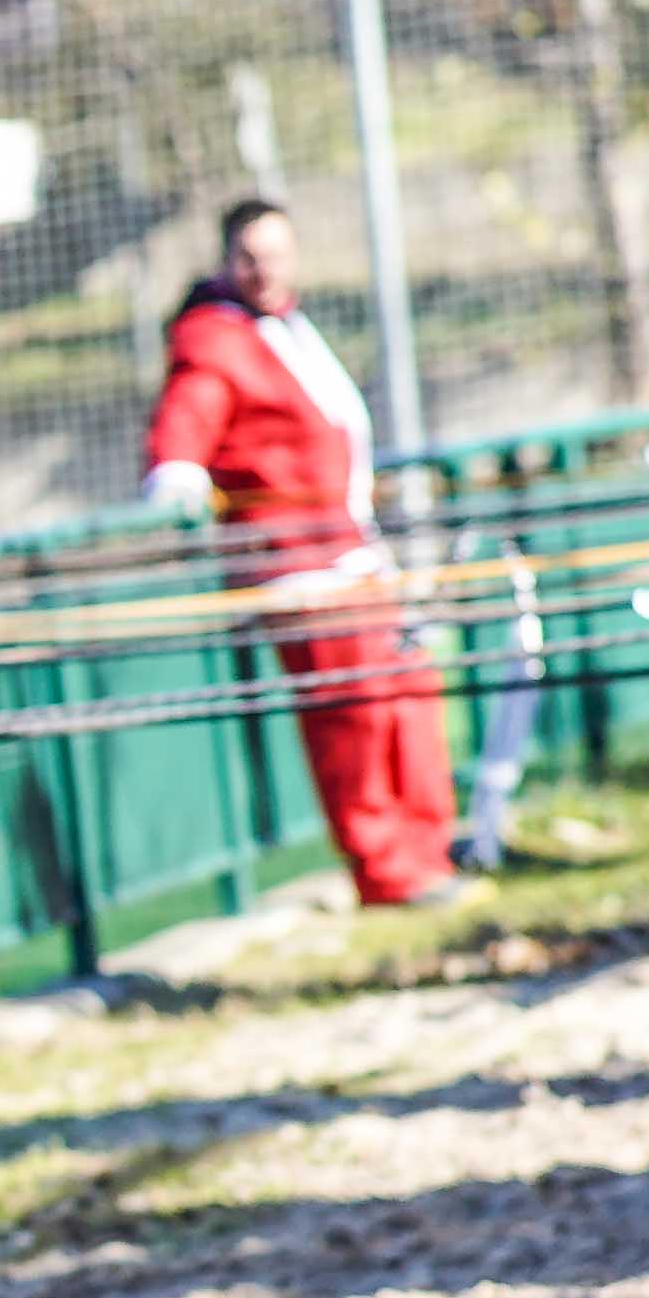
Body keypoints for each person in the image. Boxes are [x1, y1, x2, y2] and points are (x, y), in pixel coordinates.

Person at [143, 196, 458, 906]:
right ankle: (385, 869)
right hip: (298, 566)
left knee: (408, 692)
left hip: (353, 552)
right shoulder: (214, 339)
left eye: (277, 255)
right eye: (250, 257)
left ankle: (428, 852)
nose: (265, 270)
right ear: (228, 261)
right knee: (352, 716)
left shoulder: (287, 326)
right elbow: (188, 418)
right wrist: (177, 474)